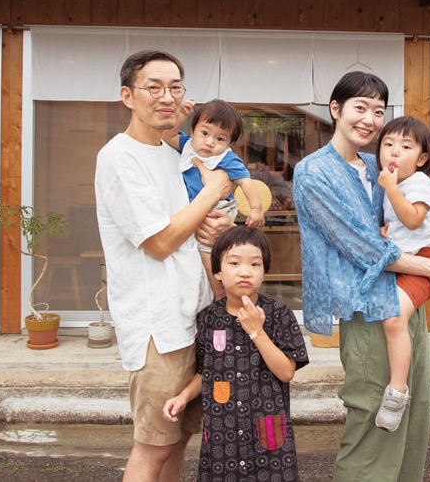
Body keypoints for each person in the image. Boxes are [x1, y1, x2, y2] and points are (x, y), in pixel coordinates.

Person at [293, 70, 430, 481]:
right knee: (371, 420)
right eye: (359, 107)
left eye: (378, 111)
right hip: (367, 309)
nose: (369, 119)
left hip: (403, 301)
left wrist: (429, 263)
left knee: (413, 416)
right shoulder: (315, 173)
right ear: (336, 109)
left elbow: (412, 223)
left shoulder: (377, 164)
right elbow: (364, 248)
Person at [94, 49, 235, 482]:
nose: (166, 96)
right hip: (157, 327)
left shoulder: (170, 151)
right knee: (153, 446)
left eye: (175, 87)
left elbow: (189, 225)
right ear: (127, 96)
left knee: (178, 442)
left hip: (190, 317)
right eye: (153, 87)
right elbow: (159, 241)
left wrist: (216, 224)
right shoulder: (120, 158)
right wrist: (214, 193)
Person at [162, 226, 309, 481]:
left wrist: (256, 331)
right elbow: (205, 371)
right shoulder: (208, 319)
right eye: (234, 263)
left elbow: (286, 372)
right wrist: (183, 397)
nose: (245, 271)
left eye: (255, 264)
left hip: (267, 436)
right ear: (218, 271)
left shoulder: (278, 314)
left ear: (264, 272)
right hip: (222, 434)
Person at [375, 115, 430, 432]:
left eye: (405, 147)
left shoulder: (418, 183)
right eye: (388, 144)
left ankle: (397, 391)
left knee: (394, 318)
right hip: (403, 258)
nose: (394, 152)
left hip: (422, 260)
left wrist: (390, 188)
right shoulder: (399, 184)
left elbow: (414, 219)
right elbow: (400, 225)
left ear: (421, 158)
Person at [164, 99, 266, 297]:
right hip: (197, 210)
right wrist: (180, 116)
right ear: (193, 131)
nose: (210, 142)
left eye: (220, 139)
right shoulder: (188, 145)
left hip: (218, 209)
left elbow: (246, 182)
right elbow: (168, 135)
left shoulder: (227, 158)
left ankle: (220, 292)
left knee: (207, 249)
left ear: (229, 143)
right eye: (204, 133)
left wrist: (256, 209)